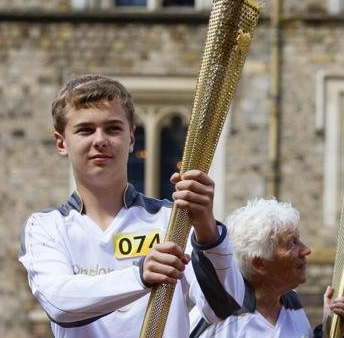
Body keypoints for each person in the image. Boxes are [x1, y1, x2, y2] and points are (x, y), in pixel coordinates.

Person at [18, 74, 244, 337]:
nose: (100, 139)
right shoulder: (46, 227)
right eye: (85, 130)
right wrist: (140, 276)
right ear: (61, 143)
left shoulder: (172, 220)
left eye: (113, 128)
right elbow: (60, 303)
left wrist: (207, 230)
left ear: (132, 139)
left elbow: (224, 306)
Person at [189, 198, 344, 337]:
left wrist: (329, 332)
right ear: (259, 263)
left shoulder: (290, 301)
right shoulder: (218, 319)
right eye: (292, 243)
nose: (306, 250)